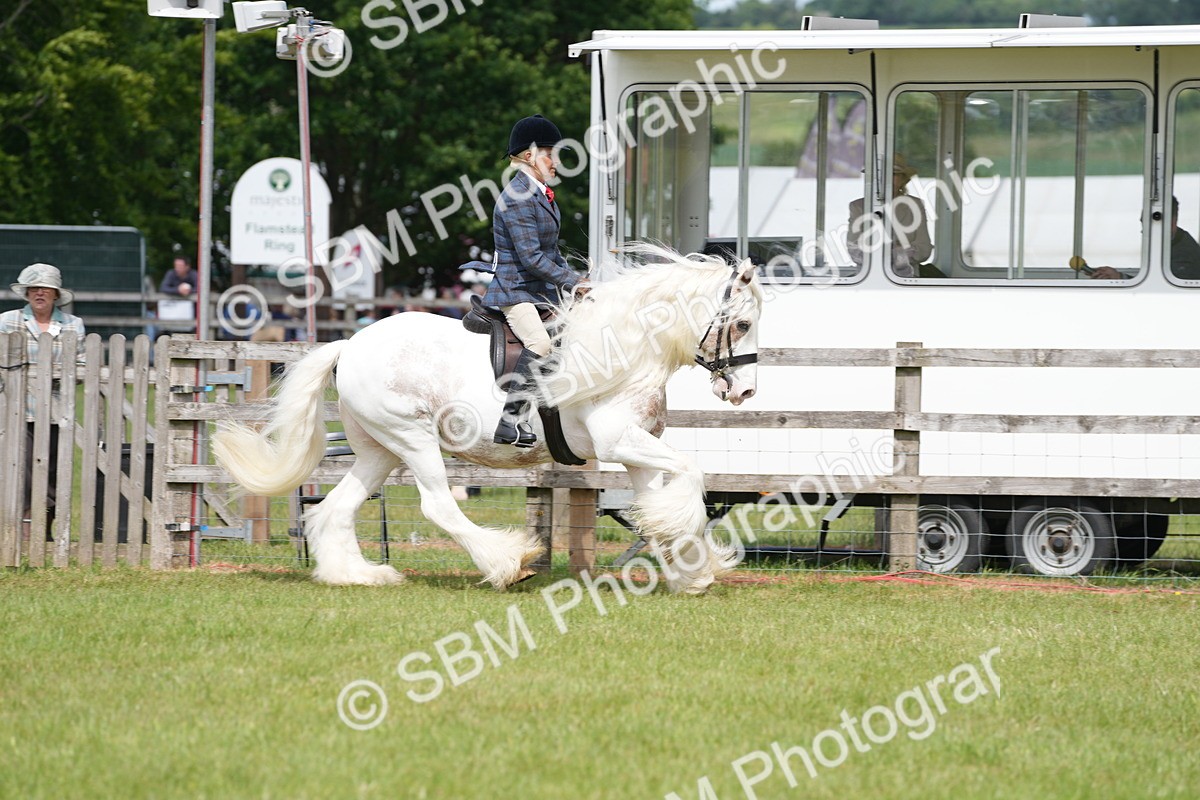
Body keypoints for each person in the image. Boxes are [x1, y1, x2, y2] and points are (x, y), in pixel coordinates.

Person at [481, 114, 586, 447]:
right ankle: (509, 422)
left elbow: (551, 253)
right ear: (529, 155)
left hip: (537, 289)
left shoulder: (540, 194)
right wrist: (573, 282)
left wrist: (578, 281)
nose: (557, 162)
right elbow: (531, 258)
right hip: (515, 291)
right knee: (540, 344)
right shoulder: (518, 196)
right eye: (551, 154)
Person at [0, 263, 86, 531]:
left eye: (46, 289)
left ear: (56, 295)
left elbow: (82, 366)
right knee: (20, 471)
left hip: (57, 411)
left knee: (53, 473)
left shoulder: (73, 324)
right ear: (26, 293)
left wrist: (55, 378)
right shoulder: (7, 321)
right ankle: (23, 531)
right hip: (16, 408)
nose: (39, 293)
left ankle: (46, 530)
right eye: (34, 289)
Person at [847, 154, 936, 278]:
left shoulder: (915, 205)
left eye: (893, 174)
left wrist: (879, 250)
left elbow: (924, 249)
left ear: (903, 179)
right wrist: (900, 250)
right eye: (879, 175)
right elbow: (855, 251)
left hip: (907, 280)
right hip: (867, 279)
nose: (886, 180)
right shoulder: (858, 206)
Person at [1089, 197, 1200, 280]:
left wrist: (1119, 277)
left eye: (1148, 226)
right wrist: (1117, 276)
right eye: (1143, 224)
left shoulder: (1185, 255)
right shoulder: (1171, 244)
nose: (1143, 231)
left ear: (1171, 223)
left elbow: (1160, 290)